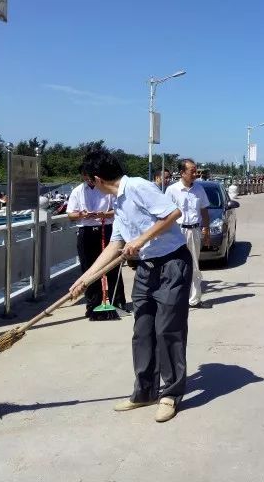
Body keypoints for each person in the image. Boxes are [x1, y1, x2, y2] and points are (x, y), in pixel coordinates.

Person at [69, 149, 191, 423]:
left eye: (90, 182)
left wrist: (141, 239)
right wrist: (86, 278)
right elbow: (115, 245)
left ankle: (170, 393)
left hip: (172, 263)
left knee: (167, 329)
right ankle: (145, 390)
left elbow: (173, 212)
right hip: (147, 269)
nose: (91, 187)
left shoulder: (137, 186)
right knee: (143, 330)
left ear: (97, 179)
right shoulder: (117, 203)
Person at [66, 166, 126, 317]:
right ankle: (94, 303)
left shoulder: (105, 188)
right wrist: (81, 214)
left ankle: (117, 301)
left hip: (106, 228)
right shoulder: (78, 191)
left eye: (89, 176)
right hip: (86, 230)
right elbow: (70, 215)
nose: (87, 179)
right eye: (84, 176)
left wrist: (104, 214)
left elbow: (117, 210)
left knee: (112, 266)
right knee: (88, 268)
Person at [166, 158, 211, 307]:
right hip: (177, 231)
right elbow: (166, 214)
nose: (195, 174)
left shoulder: (199, 189)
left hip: (194, 231)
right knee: (175, 266)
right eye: (192, 171)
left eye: (196, 171)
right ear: (182, 173)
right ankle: (175, 298)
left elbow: (204, 210)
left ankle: (194, 299)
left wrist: (207, 231)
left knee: (194, 265)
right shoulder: (172, 190)